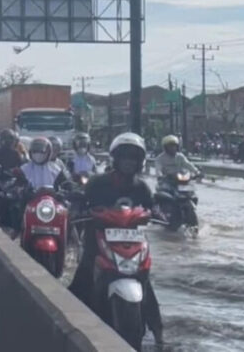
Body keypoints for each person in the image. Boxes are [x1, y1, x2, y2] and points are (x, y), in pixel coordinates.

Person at [68, 132, 163, 345]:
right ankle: (69, 321)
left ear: (140, 161)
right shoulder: (98, 182)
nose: (129, 162)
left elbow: (152, 205)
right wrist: (76, 209)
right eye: (125, 157)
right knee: (84, 274)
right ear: (116, 159)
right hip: (98, 237)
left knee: (144, 278)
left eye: (133, 158)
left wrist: (158, 212)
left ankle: (158, 332)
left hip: (134, 241)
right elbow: (81, 199)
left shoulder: (141, 187)